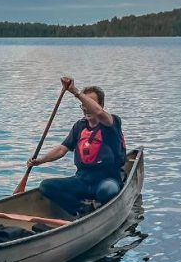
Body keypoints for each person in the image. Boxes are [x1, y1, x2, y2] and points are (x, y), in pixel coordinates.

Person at [26, 77, 125, 215]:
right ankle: (81, 209)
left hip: (106, 179)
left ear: (101, 105)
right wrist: (40, 160)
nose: (86, 108)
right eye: (83, 105)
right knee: (46, 186)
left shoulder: (111, 122)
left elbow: (100, 114)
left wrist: (75, 92)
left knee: (108, 191)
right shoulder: (79, 126)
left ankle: (101, 209)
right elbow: (62, 149)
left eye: (89, 104)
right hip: (82, 180)